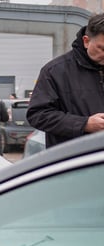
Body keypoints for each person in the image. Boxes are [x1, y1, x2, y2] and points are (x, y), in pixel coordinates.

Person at [28, 13, 104, 147]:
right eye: (102, 48)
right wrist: (84, 124)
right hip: (73, 161)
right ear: (86, 41)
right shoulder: (55, 71)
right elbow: (37, 115)